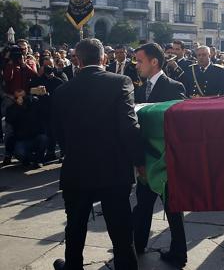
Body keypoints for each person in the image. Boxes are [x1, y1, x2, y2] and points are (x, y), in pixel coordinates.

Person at [51, 38, 142, 270]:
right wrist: (139, 161)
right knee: (121, 228)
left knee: (75, 226)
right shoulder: (120, 82)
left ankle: (73, 267)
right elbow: (129, 127)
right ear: (104, 58)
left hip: (77, 168)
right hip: (113, 168)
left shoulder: (62, 90)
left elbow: (57, 133)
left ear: (77, 61)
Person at [131, 42, 188, 268]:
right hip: (145, 160)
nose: (136, 65)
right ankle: (137, 244)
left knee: (173, 210)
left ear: (154, 61)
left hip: (165, 162)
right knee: (143, 206)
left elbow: (181, 125)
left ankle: (179, 253)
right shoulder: (137, 89)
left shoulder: (174, 86)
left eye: (140, 61)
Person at [5, 89, 47, 168]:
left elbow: (44, 110)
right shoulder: (12, 108)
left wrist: (43, 96)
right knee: (19, 153)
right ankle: (31, 159)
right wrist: (17, 106)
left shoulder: (33, 103)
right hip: (21, 140)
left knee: (43, 139)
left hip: (35, 137)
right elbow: (9, 119)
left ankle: (38, 160)